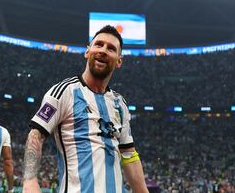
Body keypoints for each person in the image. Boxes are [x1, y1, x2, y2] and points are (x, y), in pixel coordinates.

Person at [23, 25, 149, 193]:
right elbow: (36, 135)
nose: (103, 50)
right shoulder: (63, 92)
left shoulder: (120, 104)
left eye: (111, 48)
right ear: (87, 51)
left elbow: (129, 154)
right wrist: (29, 181)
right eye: (99, 44)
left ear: (119, 61)